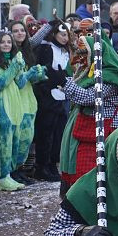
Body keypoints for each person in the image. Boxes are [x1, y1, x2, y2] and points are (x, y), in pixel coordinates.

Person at [60, 34, 118, 196]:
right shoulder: (88, 72)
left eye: (85, 53)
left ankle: (94, 202)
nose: (81, 57)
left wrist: (65, 83)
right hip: (87, 127)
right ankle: (80, 201)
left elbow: (89, 97)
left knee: (96, 170)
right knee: (82, 168)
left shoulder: (110, 76)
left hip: (106, 130)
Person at [0, 30, 45, 191]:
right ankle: (0, 177)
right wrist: (14, 68)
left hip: (14, 107)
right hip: (0, 108)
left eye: (8, 42)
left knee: (13, 141)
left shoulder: (12, 60)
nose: (6, 45)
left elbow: (20, 83)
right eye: (2, 42)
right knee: (2, 142)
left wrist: (33, 73)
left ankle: (7, 174)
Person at [32, 20, 71, 182]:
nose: (65, 38)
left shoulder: (66, 51)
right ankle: (42, 166)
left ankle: (52, 164)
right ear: (54, 33)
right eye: (62, 34)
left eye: (67, 35)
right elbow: (42, 72)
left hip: (62, 97)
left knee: (58, 133)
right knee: (45, 133)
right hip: (48, 97)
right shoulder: (46, 48)